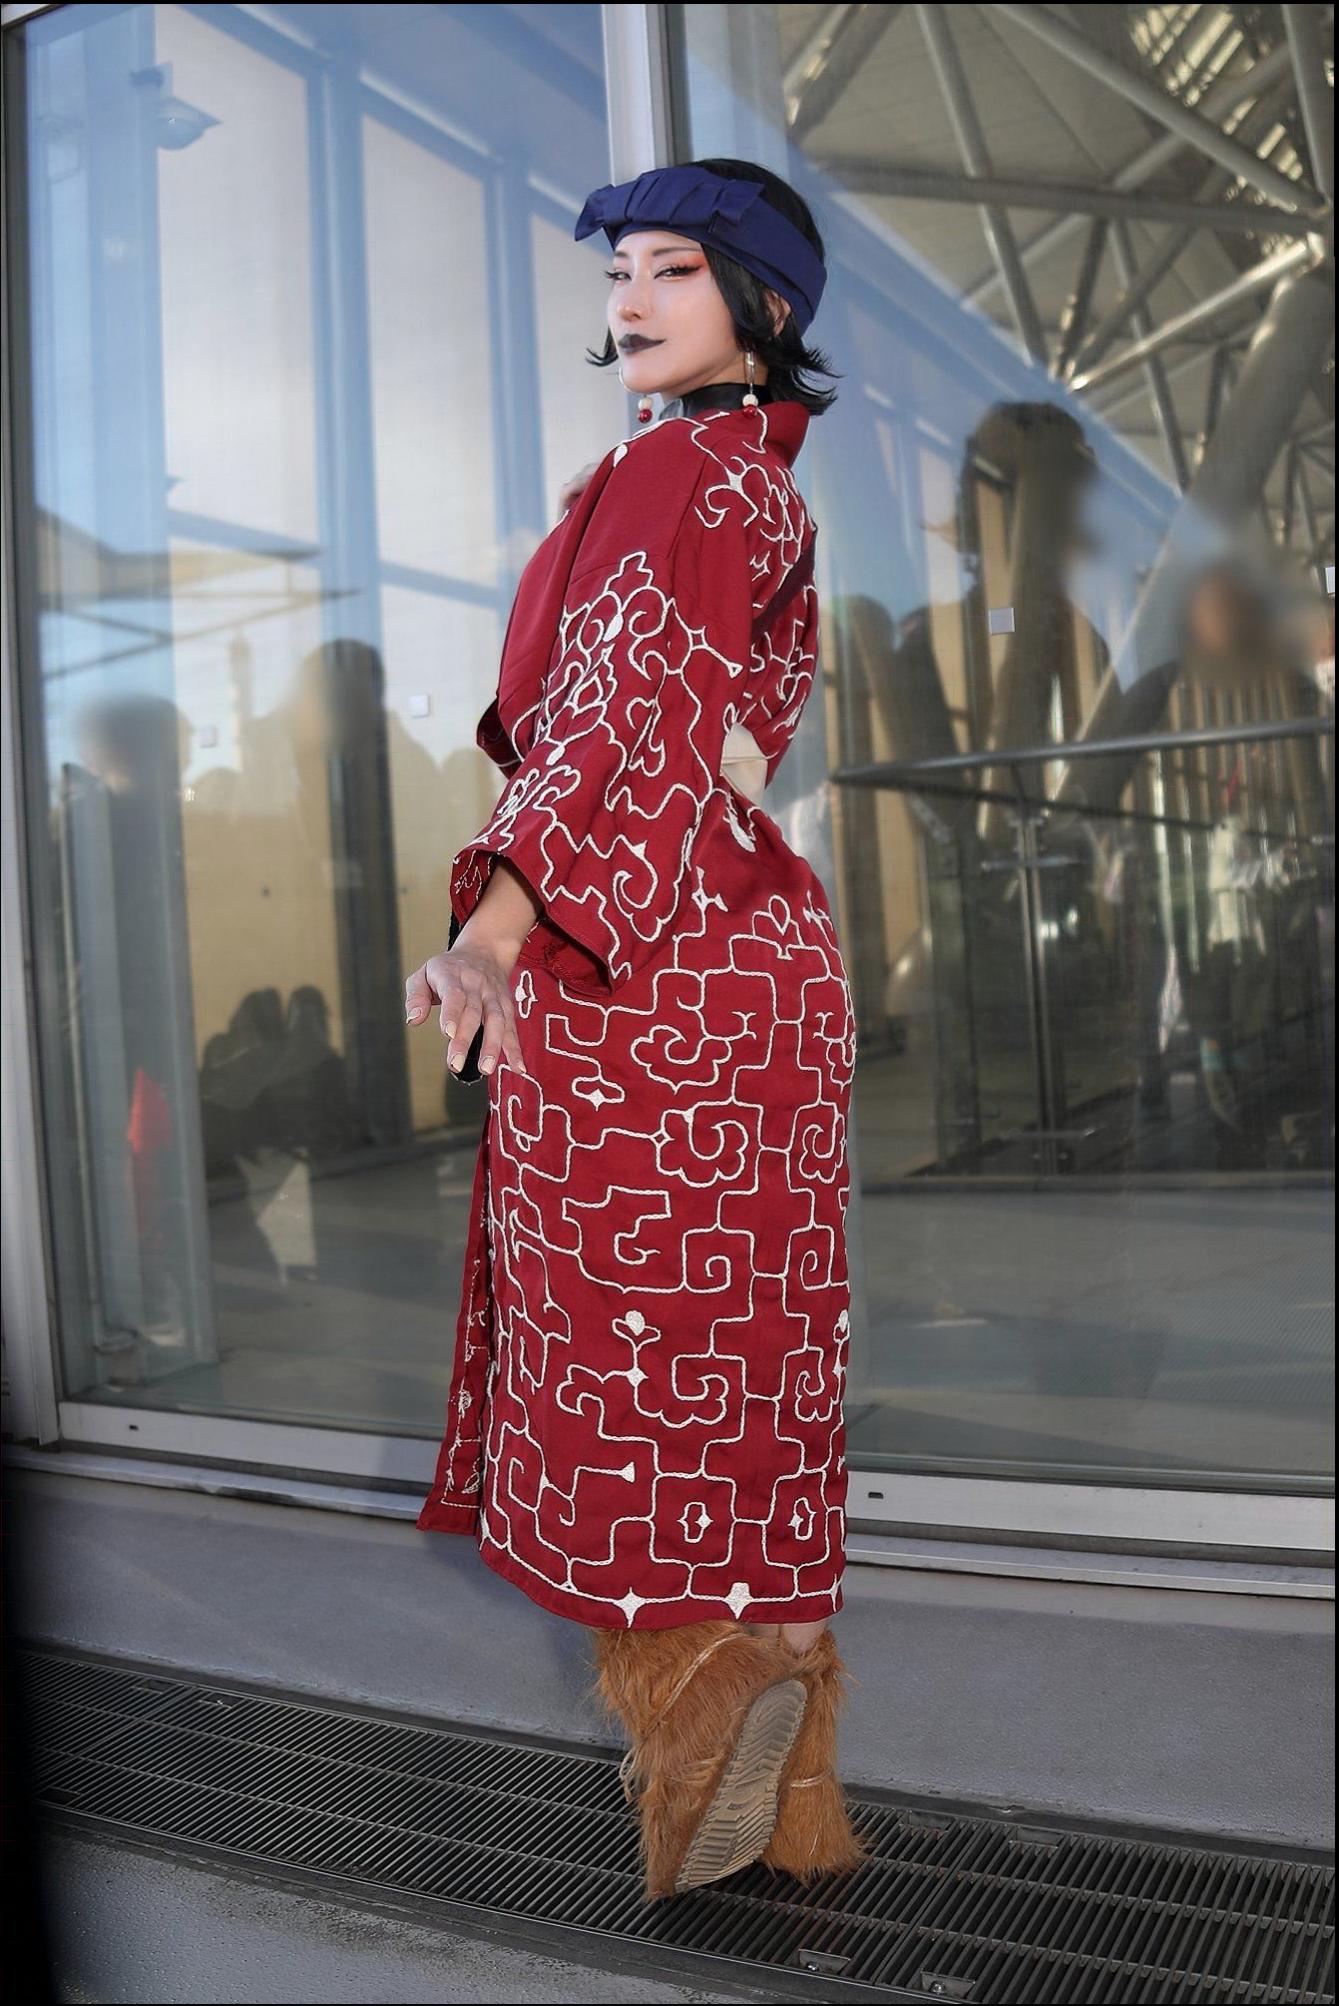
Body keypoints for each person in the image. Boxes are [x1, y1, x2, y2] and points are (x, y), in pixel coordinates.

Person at [405, 159, 867, 1900]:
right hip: (753, 956)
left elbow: (614, 724)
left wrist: (496, 934)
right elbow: (673, 730)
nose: (633, 299)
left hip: (651, 976)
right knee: (749, 1362)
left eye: (678, 270)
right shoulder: (754, 483)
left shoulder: (678, 476)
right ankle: (794, 1775)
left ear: (763, 305)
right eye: (624, 272)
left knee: (626, 1364)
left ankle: (701, 1732)